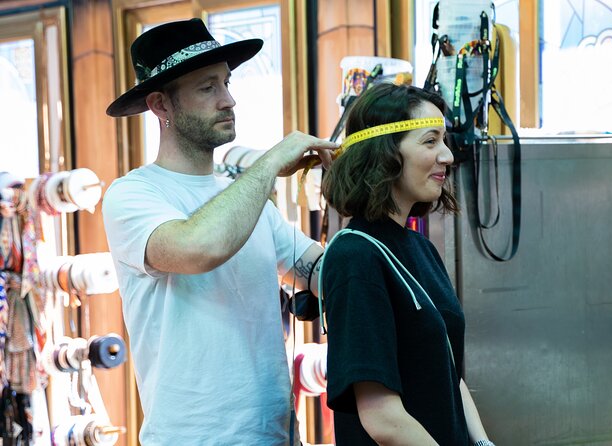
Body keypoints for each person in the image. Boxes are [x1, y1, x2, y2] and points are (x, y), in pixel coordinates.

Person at [102, 18, 336, 445]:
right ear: (161, 105)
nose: (229, 100)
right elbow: (199, 248)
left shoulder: (247, 203)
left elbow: (325, 273)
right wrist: (270, 163)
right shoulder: (132, 195)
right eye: (207, 88)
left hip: (276, 435)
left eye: (227, 83)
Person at [320, 83, 495, 446]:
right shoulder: (355, 256)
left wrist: (481, 442)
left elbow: (451, 375)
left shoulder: (422, 249)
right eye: (430, 141)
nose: (447, 156)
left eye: (444, 140)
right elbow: (383, 419)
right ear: (385, 154)